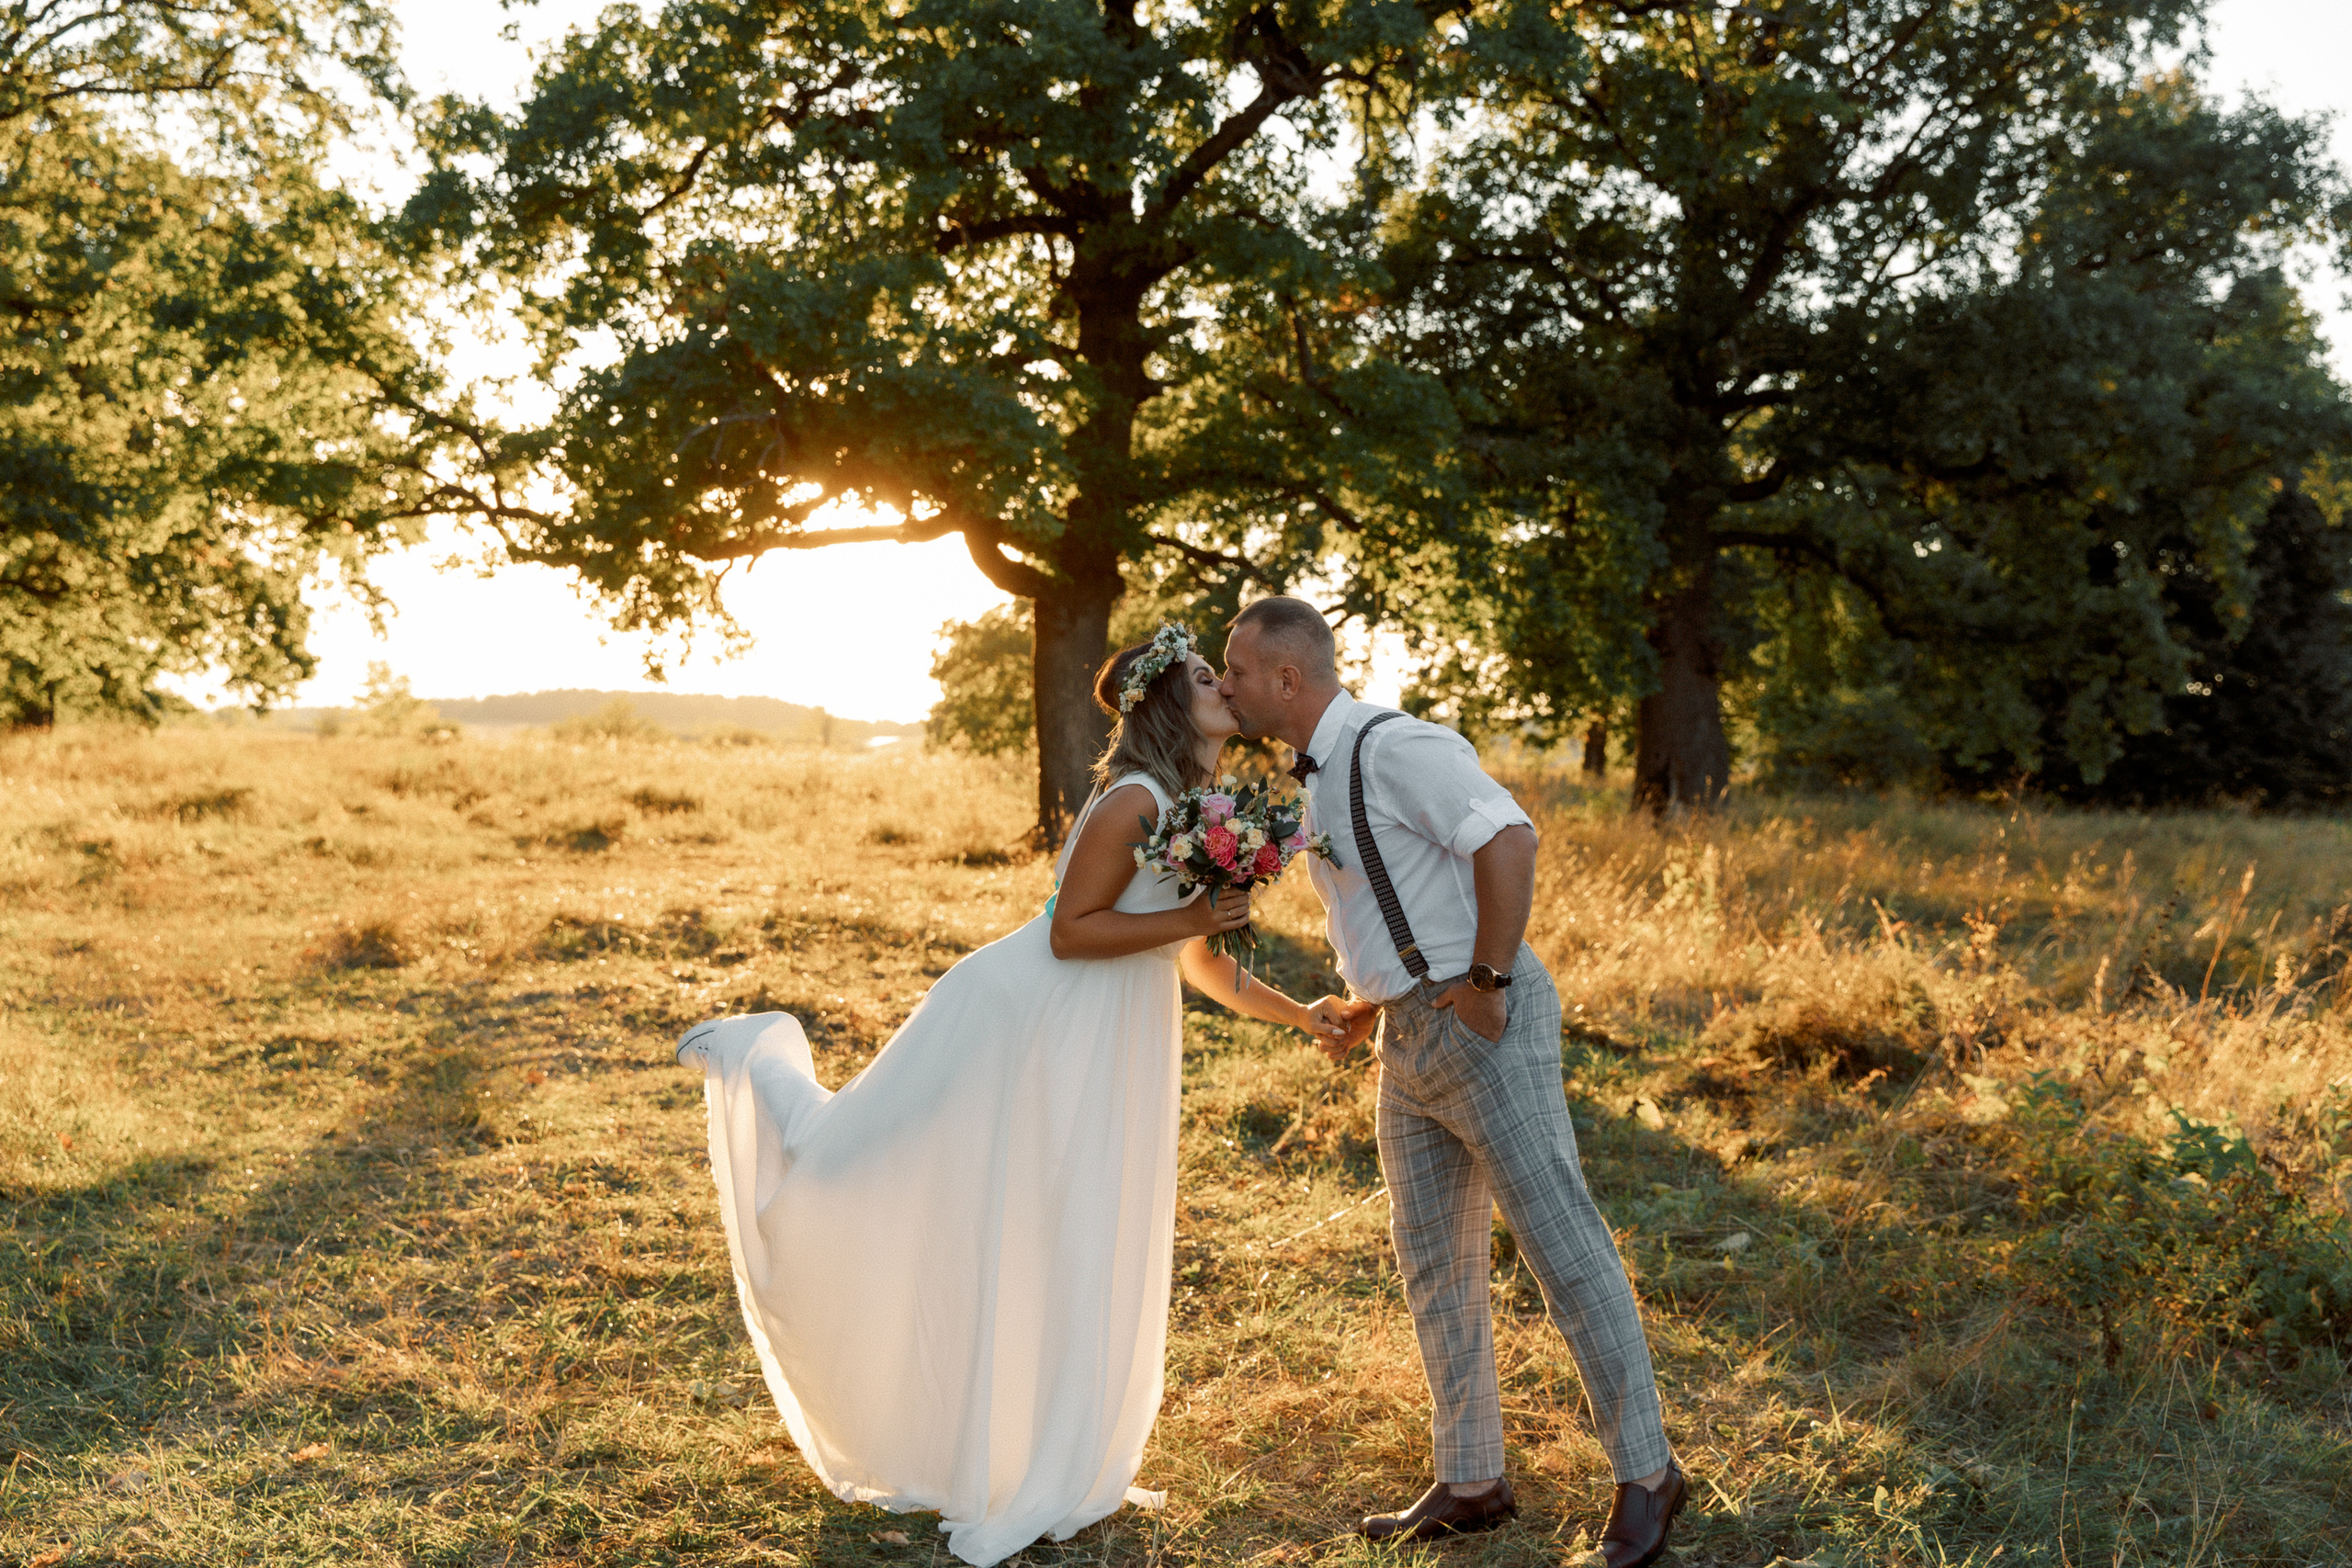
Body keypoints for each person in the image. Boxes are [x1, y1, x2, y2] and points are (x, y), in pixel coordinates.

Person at [674, 625, 1354, 1568]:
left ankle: (1049, 1453)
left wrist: (1300, 1014)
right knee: (848, 1160)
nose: (1229, 687)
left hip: (1104, 1040)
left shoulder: (1196, 806)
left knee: (1064, 1226)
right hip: (1017, 1015)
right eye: (1209, 676)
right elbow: (1073, 932)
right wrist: (1201, 911)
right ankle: (758, 1058)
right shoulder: (1133, 800)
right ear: (1169, 700)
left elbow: (1195, 958)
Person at [1218, 596, 1687, 1568]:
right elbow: (1390, 902)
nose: (1225, 685)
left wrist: (1484, 981)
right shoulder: (1317, 776)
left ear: (1287, 680)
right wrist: (1366, 998)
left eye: (1236, 670)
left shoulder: (1396, 746)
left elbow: (1508, 839)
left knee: (1562, 1247)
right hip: (1404, 1035)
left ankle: (1648, 1476)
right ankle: (1472, 1480)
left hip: (1480, 1023)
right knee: (1433, 1262)